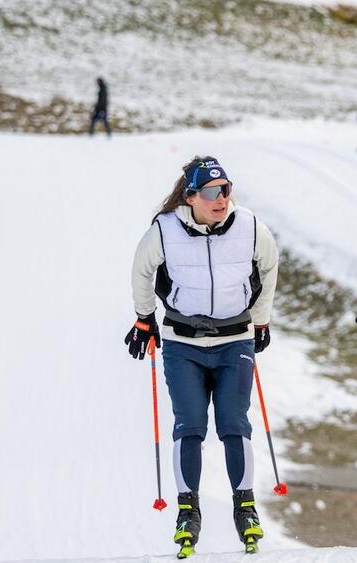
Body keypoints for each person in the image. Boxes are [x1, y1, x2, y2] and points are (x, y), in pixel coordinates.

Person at [125, 156, 279, 557]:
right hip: (183, 344)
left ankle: (245, 508)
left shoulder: (249, 226)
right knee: (190, 424)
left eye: (225, 189)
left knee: (233, 423)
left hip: (235, 341)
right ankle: (187, 512)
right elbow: (142, 270)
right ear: (190, 197)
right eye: (211, 192)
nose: (221, 199)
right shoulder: (165, 229)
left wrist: (261, 319)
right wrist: (145, 317)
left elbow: (270, 264)